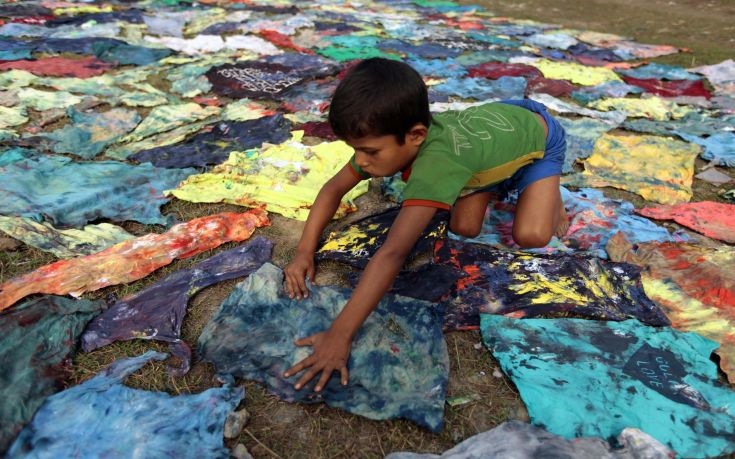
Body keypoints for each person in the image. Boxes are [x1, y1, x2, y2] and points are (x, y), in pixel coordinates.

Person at [282, 57, 567, 392]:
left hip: (541, 138)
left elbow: (393, 253)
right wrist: (304, 251)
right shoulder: (387, 132)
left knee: (531, 234)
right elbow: (333, 188)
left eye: (370, 151)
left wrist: (339, 334)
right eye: (356, 150)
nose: (361, 161)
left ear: (416, 135)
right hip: (492, 132)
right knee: (465, 228)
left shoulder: (435, 166)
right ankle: (493, 176)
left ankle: (540, 184)